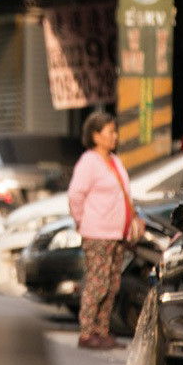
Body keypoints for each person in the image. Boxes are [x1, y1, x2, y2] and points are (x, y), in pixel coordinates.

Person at [66, 111, 143, 350]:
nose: (115, 136)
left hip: (116, 233)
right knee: (97, 284)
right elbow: (75, 195)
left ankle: (102, 330)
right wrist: (81, 221)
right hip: (97, 233)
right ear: (95, 135)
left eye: (115, 131)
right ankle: (87, 332)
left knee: (112, 285)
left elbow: (125, 194)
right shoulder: (88, 162)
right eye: (110, 132)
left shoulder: (115, 161)